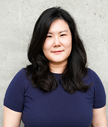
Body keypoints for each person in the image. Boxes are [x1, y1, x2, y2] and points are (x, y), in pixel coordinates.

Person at [3, 7, 107, 127]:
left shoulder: (91, 79)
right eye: (49, 36)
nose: (56, 43)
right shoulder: (22, 80)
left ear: (72, 38)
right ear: (39, 41)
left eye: (62, 35)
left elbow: (100, 124)